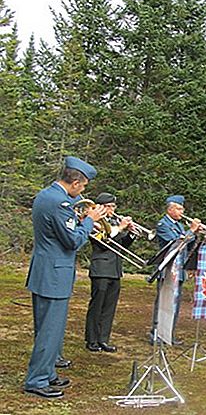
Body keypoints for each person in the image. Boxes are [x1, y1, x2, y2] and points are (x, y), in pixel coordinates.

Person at [24, 157, 105, 399]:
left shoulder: (45, 195)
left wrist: (79, 222)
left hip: (44, 270)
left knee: (48, 329)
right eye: (83, 187)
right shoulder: (60, 203)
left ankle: (47, 373)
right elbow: (73, 241)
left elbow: (57, 232)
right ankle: (36, 380)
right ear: (76, 182)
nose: (82, 192)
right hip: (54, 275)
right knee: (50, 331)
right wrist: (90, 221)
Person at [84, 192, 136, 353]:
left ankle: (103, 339)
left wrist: (131, 233)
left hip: (115, 269)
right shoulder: (94, 222)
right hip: (100, 269)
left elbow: (121, 246)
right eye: (109, 206)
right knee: (97, 305)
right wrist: (120, 228)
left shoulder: (113, 222)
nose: (112, 209)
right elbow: (102, 244)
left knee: (109, 307)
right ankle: (91, 340)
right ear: (100, 207)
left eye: (113, 206)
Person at [150, 195, 199, 345]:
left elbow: (187, 246)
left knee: (175, 303)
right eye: (178, 209)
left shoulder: (179, 226)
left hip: (179, 269)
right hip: (168, 269)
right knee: (163, 302)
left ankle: (169, 333)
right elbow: (176, 242)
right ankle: (156, 333)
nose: (181, 212)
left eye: (182, 209)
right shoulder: (163, 224)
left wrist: (195, 236)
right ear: (170, 209)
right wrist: (191, 231)